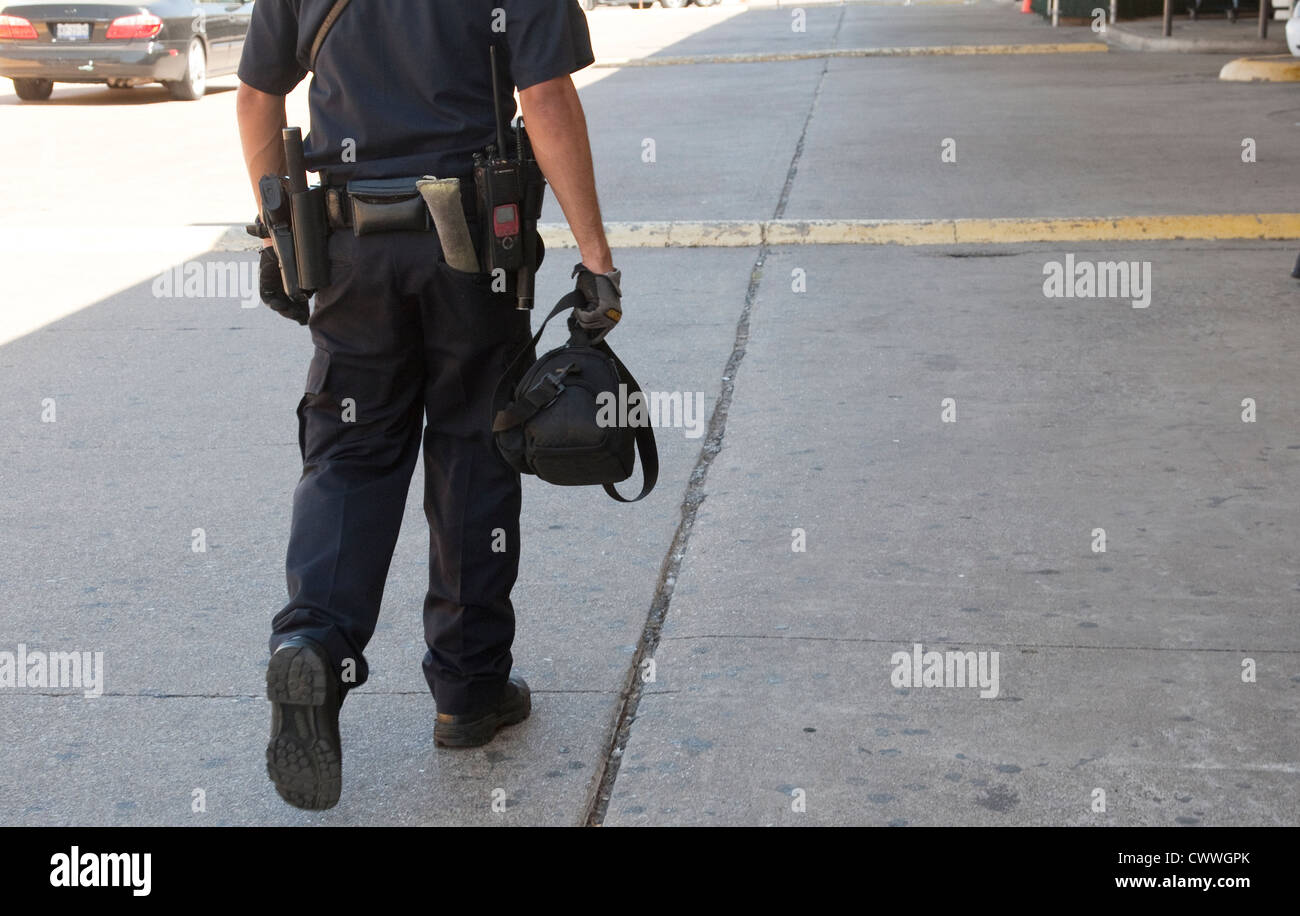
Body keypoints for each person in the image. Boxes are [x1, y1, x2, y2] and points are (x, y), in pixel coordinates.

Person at [235, 0, 625, 811]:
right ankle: (469, 689)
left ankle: (314, 638)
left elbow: (256, 95)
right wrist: (596, 259)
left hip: (347, 246)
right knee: (473, 448)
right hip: (474, 245)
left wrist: (280, 231)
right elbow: (545, 95)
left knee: (349, 452)